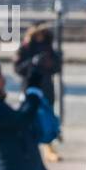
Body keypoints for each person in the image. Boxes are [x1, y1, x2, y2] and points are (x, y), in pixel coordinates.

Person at [13, 24, 62, 161]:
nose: (41, 37)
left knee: (47, 120)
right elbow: (17, 69)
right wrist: (32, 63)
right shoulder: (25, 48)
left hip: (46, 88)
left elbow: (57, 68)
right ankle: (26, 148)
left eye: (44, 34)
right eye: (39, 34)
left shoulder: (48, 47)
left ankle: (49, 148)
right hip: (29, 87)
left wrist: (52, 62)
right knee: (28, 118)